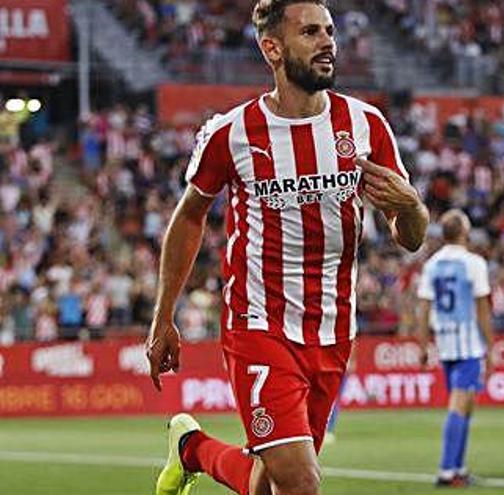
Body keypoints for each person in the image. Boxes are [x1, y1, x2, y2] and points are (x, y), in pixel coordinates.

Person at [146, 1, 429, 494]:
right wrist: (163, 314)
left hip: (332, 330)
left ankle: (190, 449)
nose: (327, 42)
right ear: (271, 48)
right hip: (258, 326)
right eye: (310, 32)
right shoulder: (231, 133)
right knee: (300, 482)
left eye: (329, 31)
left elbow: (410, 238)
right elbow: (190, 214)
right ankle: (192, 449)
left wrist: (412, 206)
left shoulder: (365, 126)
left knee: (269, 485)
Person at [416, 210, 494, 487]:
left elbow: (423, 308)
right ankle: (447, 471)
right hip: (468, 344)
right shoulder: (474, 263)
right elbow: (483, 307)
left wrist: (423, 345)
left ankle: (458, 467)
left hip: (445, 344)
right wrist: (491, 347)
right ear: (463, 232)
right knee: (459, 405)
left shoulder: (432, 264)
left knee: (466, 406)